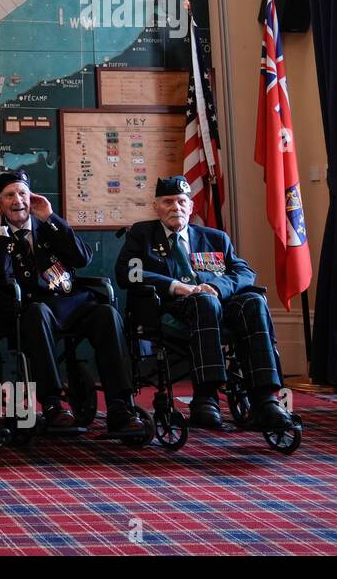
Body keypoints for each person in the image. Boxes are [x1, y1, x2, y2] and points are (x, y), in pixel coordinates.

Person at [115, 175, 293, 430]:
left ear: (191, 206)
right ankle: (205, 398)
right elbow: (127, 273)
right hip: (170, 310)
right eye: (167, 202)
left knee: (253, 301)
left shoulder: (215, 238)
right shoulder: (142, 235)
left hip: (218, 305)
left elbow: (243, 272)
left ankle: (265, 401)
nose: (175, 207)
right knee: (203, 303)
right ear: (156, 206)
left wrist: (217, 288)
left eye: (181, 201)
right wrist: (178, 287)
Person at [0, 170, 143, 434]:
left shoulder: (48, 225)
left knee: (107, 314)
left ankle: (120, 407)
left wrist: (51, 217)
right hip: (27, 309)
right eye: (10, 195)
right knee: (38, 312)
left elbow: (81, 259)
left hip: (69, 303)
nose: (18, 200)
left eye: (23, 193)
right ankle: (52, 404)